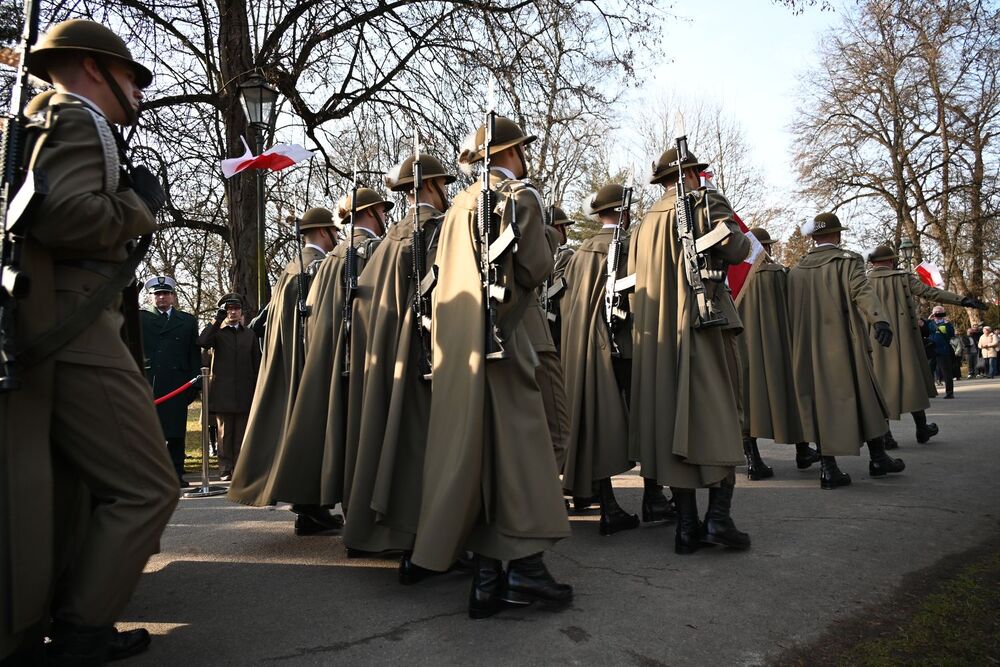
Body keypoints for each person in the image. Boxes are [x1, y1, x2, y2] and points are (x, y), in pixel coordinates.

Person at [0, 19, 177, 663]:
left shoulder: (39, 119)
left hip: (59, 316)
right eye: (131, 75)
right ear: (98, 68)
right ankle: (81, 629)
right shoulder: (73, 117)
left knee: (72, 485)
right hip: (71, 322)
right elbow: (68, 216)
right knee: (147, 487)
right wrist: (137, 204)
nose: (138, 89)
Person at [412, 115, 572, 619]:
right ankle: (524, 570)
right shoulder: (518, 196)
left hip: (462, 348)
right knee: (522, 456)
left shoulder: (458, 206)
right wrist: (542, 227)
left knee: (485, 459)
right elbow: (535, 268)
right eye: (521, 149)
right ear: (510, 153)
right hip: (508, 339)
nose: (524, 158)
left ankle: (486, 579)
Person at [628, 144, 751, 555]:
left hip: (659, 337)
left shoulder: (644, 223)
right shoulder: (705, 200)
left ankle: (686, 526)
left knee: (672, 422)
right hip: (706, 324)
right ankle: (718, 518)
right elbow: (735, 249)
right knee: (723, 415)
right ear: (693, 174)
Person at [337, 153, 452, 581]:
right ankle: (422, 545)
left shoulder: (386, 242)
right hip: (422, 353)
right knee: (424, 448)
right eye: (443, 185)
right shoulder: (435, 231)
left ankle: (395, 538)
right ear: (432, 186)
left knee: (395, 442)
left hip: (386, 356)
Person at [278, 189, 391, 539]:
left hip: (320, 361)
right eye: (382, 211)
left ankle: (316, 509)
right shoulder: (362, 252)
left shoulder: (322, 261)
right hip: (353, 360)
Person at [227, 206, 345, 536]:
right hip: (311, 365)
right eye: (334, 232)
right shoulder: (320, 267)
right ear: (324, 232)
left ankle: (310, 510)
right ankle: (310, 506)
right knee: (313, 431)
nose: (337, 238)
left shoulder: (293, 268)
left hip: (292, 364)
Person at [788, 213, 904, 489]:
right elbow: (862, 291)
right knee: (868, 397)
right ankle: (877, 458)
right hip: (845, 343)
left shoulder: (795, 270)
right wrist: (880, 319)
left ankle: (829, 468)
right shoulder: (848, 261)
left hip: (807, 348)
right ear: (837, 235)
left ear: (813, 238)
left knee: (818, 404)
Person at [866, 245, 986, 444]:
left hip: (876, 340)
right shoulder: (902, 278)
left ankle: (886, 435)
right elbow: (931, 293)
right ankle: (922, 428)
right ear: (891, 261)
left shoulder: (863, 281)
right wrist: (962, 300)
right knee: (913, 383)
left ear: (872, 263)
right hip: (904, 341)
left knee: (880, 385)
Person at [736, 227, 819, 477]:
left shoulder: (735, 279)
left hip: (743, 352)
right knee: (792, 397)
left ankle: (754, 462)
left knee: (746, 404)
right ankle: (803, 451)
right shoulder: (780, 274)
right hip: (780, 348)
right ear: (766, 248)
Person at [141, 275, 201, 487]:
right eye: (157, 294)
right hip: (150, 384)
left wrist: (195, 383)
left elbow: (193, 354)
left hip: (178, 384)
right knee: (150, 432)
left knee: (176, 432)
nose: (162, 298)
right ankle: (151, 475)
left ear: (173, 297)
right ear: (151, 298)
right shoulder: (141, 319)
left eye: (166, 294)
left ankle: (176, 474)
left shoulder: (187, 321)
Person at [197, 293, 261, 480]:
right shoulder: (217, 333)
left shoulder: (249, 334)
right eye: (229, 309)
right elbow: (202, 341)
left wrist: (257, 388)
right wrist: (217, 321)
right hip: (223, 390)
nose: (233, 312)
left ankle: (239, 468)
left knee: (241, 433)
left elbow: (256, 363)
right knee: (224, 433)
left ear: (241, 312)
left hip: (244, 389)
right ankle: (225, 468)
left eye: (236, 309)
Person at [928, 306, 957, 398]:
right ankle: (931, 392)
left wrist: (947, 323)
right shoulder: (930, 323)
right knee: (929, 372)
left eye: (940, 311)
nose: (937, 313)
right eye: (935, 311)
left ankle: (949, 393)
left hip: (943, 350)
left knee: (946, 372)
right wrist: (929, 319)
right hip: (931, 350)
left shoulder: (947, 324)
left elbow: (951, 334)